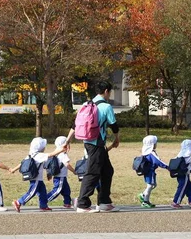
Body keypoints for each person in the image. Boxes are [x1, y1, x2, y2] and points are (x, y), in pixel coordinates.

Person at [66, 81, 120, 213]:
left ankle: (104, 202)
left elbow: (75, 124)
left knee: (107, 171)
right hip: (97, 143)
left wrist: (68, 140)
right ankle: (82, 203)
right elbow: (114, 125)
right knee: (93, 172)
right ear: (106, 91)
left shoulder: (86, 104)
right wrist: (117, 139)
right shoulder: (106, 107)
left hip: (88, 141)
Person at [10, 137, 65, 213]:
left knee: (42, 191)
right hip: (36, 178)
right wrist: (61, 150)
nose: (45, 148)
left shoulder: (31, 154)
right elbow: (51, 155)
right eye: (44, 146)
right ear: (40, 147)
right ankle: (18, 202)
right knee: (32, 192)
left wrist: (13, 169)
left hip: (37, 178)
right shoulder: (39, 155)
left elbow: (21, 163)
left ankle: (43, 205)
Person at [137, 135, 168, 208]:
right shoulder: (151, 153)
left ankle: (143, 195)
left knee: (153, 185)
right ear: (152, 144)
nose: (156, 144)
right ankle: (145, 201)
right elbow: (158, 161)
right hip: (150, 172)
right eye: (155, 143)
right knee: (150, 186)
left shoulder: (145, 152)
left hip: (147, 171)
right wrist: (167, 167)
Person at [171, 139, 191, 209]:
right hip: (184, 174)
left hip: (180, 174)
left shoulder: (179, 155)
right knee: (182, 188)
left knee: (190, 187)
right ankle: (176, 202)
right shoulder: (188, 156)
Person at [47, 136, 76, 208]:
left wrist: (49, 174)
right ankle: (44, 199)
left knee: (66, 190)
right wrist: (74, 171)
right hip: (60, 177)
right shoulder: (63, 154)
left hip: (60, 176)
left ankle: (67, 203)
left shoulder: (55, 151)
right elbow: (67, 164)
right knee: (57, 190)